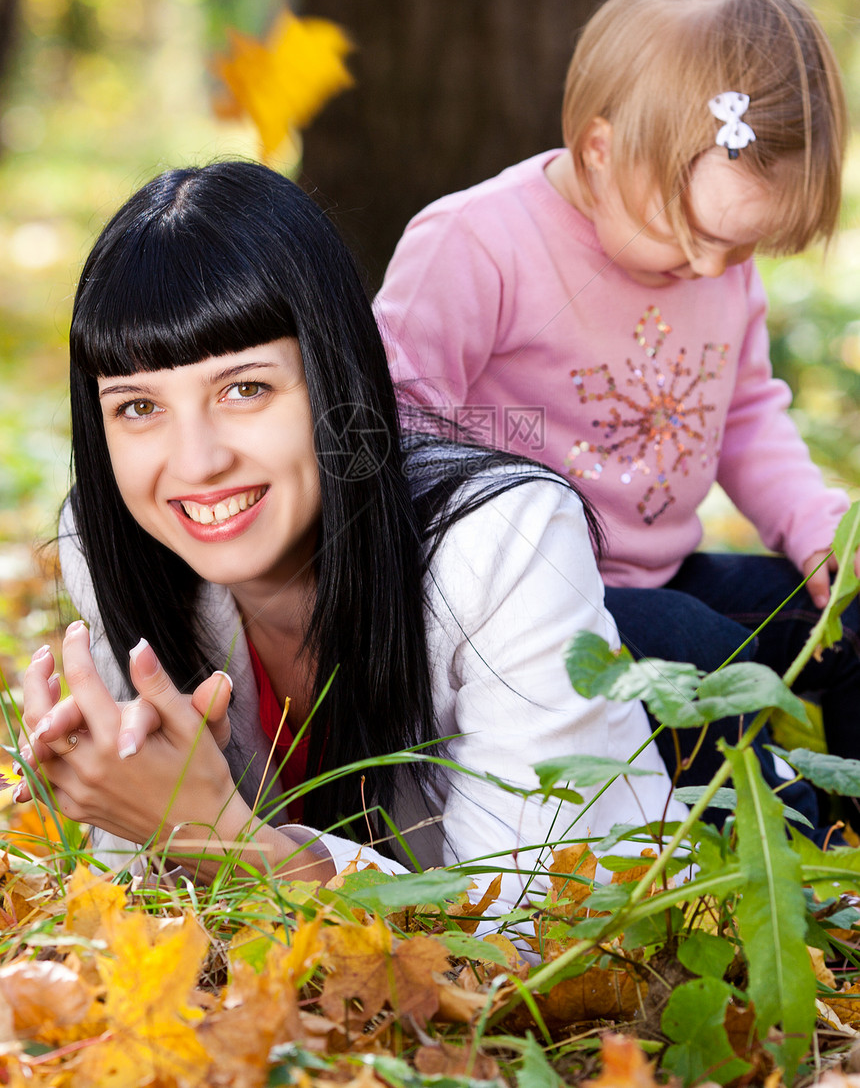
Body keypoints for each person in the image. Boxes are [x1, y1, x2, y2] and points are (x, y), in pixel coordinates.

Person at [14, 161, 687, 923]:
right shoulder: (111, 543)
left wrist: (223, 837)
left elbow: (516, 936)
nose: (196, 461)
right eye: (138, 406)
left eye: (246, 389)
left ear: (337, 382)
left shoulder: (505, 541)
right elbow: (151, 902)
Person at [374, 0, 860, 820]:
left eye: (744, 250)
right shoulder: (478, 246)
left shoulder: (716, 264)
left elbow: (746, 413)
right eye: (698, 237)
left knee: (848, 618)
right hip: (526, 610)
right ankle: (742, 839)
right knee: (701, 665)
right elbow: (386, 430)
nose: (713, 270)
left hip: (660, 571)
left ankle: (846, 819)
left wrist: (818, 528)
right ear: (601, 153)